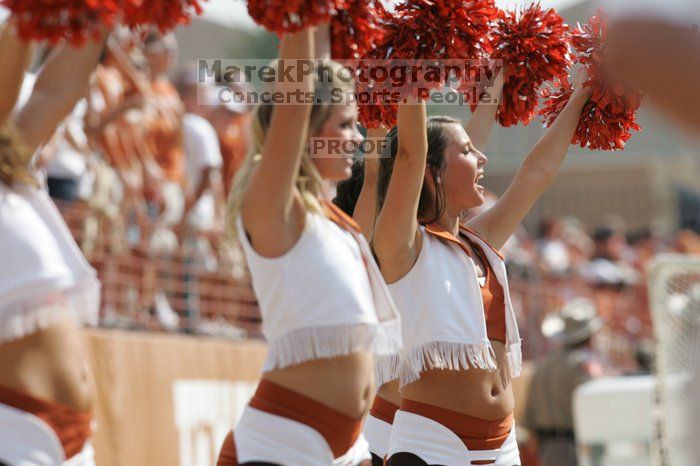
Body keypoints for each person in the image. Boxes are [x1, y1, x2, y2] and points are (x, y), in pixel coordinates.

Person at [371, 64, 593, 465]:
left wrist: (583, 91)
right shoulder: (401, 245)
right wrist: (414, 68)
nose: (482, 156)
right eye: (468, 152)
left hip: (503, 445)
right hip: (434, 444)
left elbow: (536, 174)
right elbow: (408, 156)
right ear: (431, 172)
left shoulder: (479, 242)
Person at [216, 25, 401, 465]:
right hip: (281, 447)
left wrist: (326, 21)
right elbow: (297, 92)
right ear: (305, 131)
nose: (359, 138)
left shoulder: (331, 218)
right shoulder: (275, 207)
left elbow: (315, 73)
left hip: (347, 449)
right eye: (346, 125)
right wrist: (301, 17)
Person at [0, 21, 105, 465]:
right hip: (15, 432)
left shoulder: (13, 174)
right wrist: (28, 16)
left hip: (66, 436)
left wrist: (102, 11)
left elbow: (61, 91)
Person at [521, 298, 604, 466]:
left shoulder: (543, 365)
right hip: (575, 446)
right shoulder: (583, 364)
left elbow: (528, 417)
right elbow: (597, 407)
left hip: (549, 449)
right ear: (588, 336)